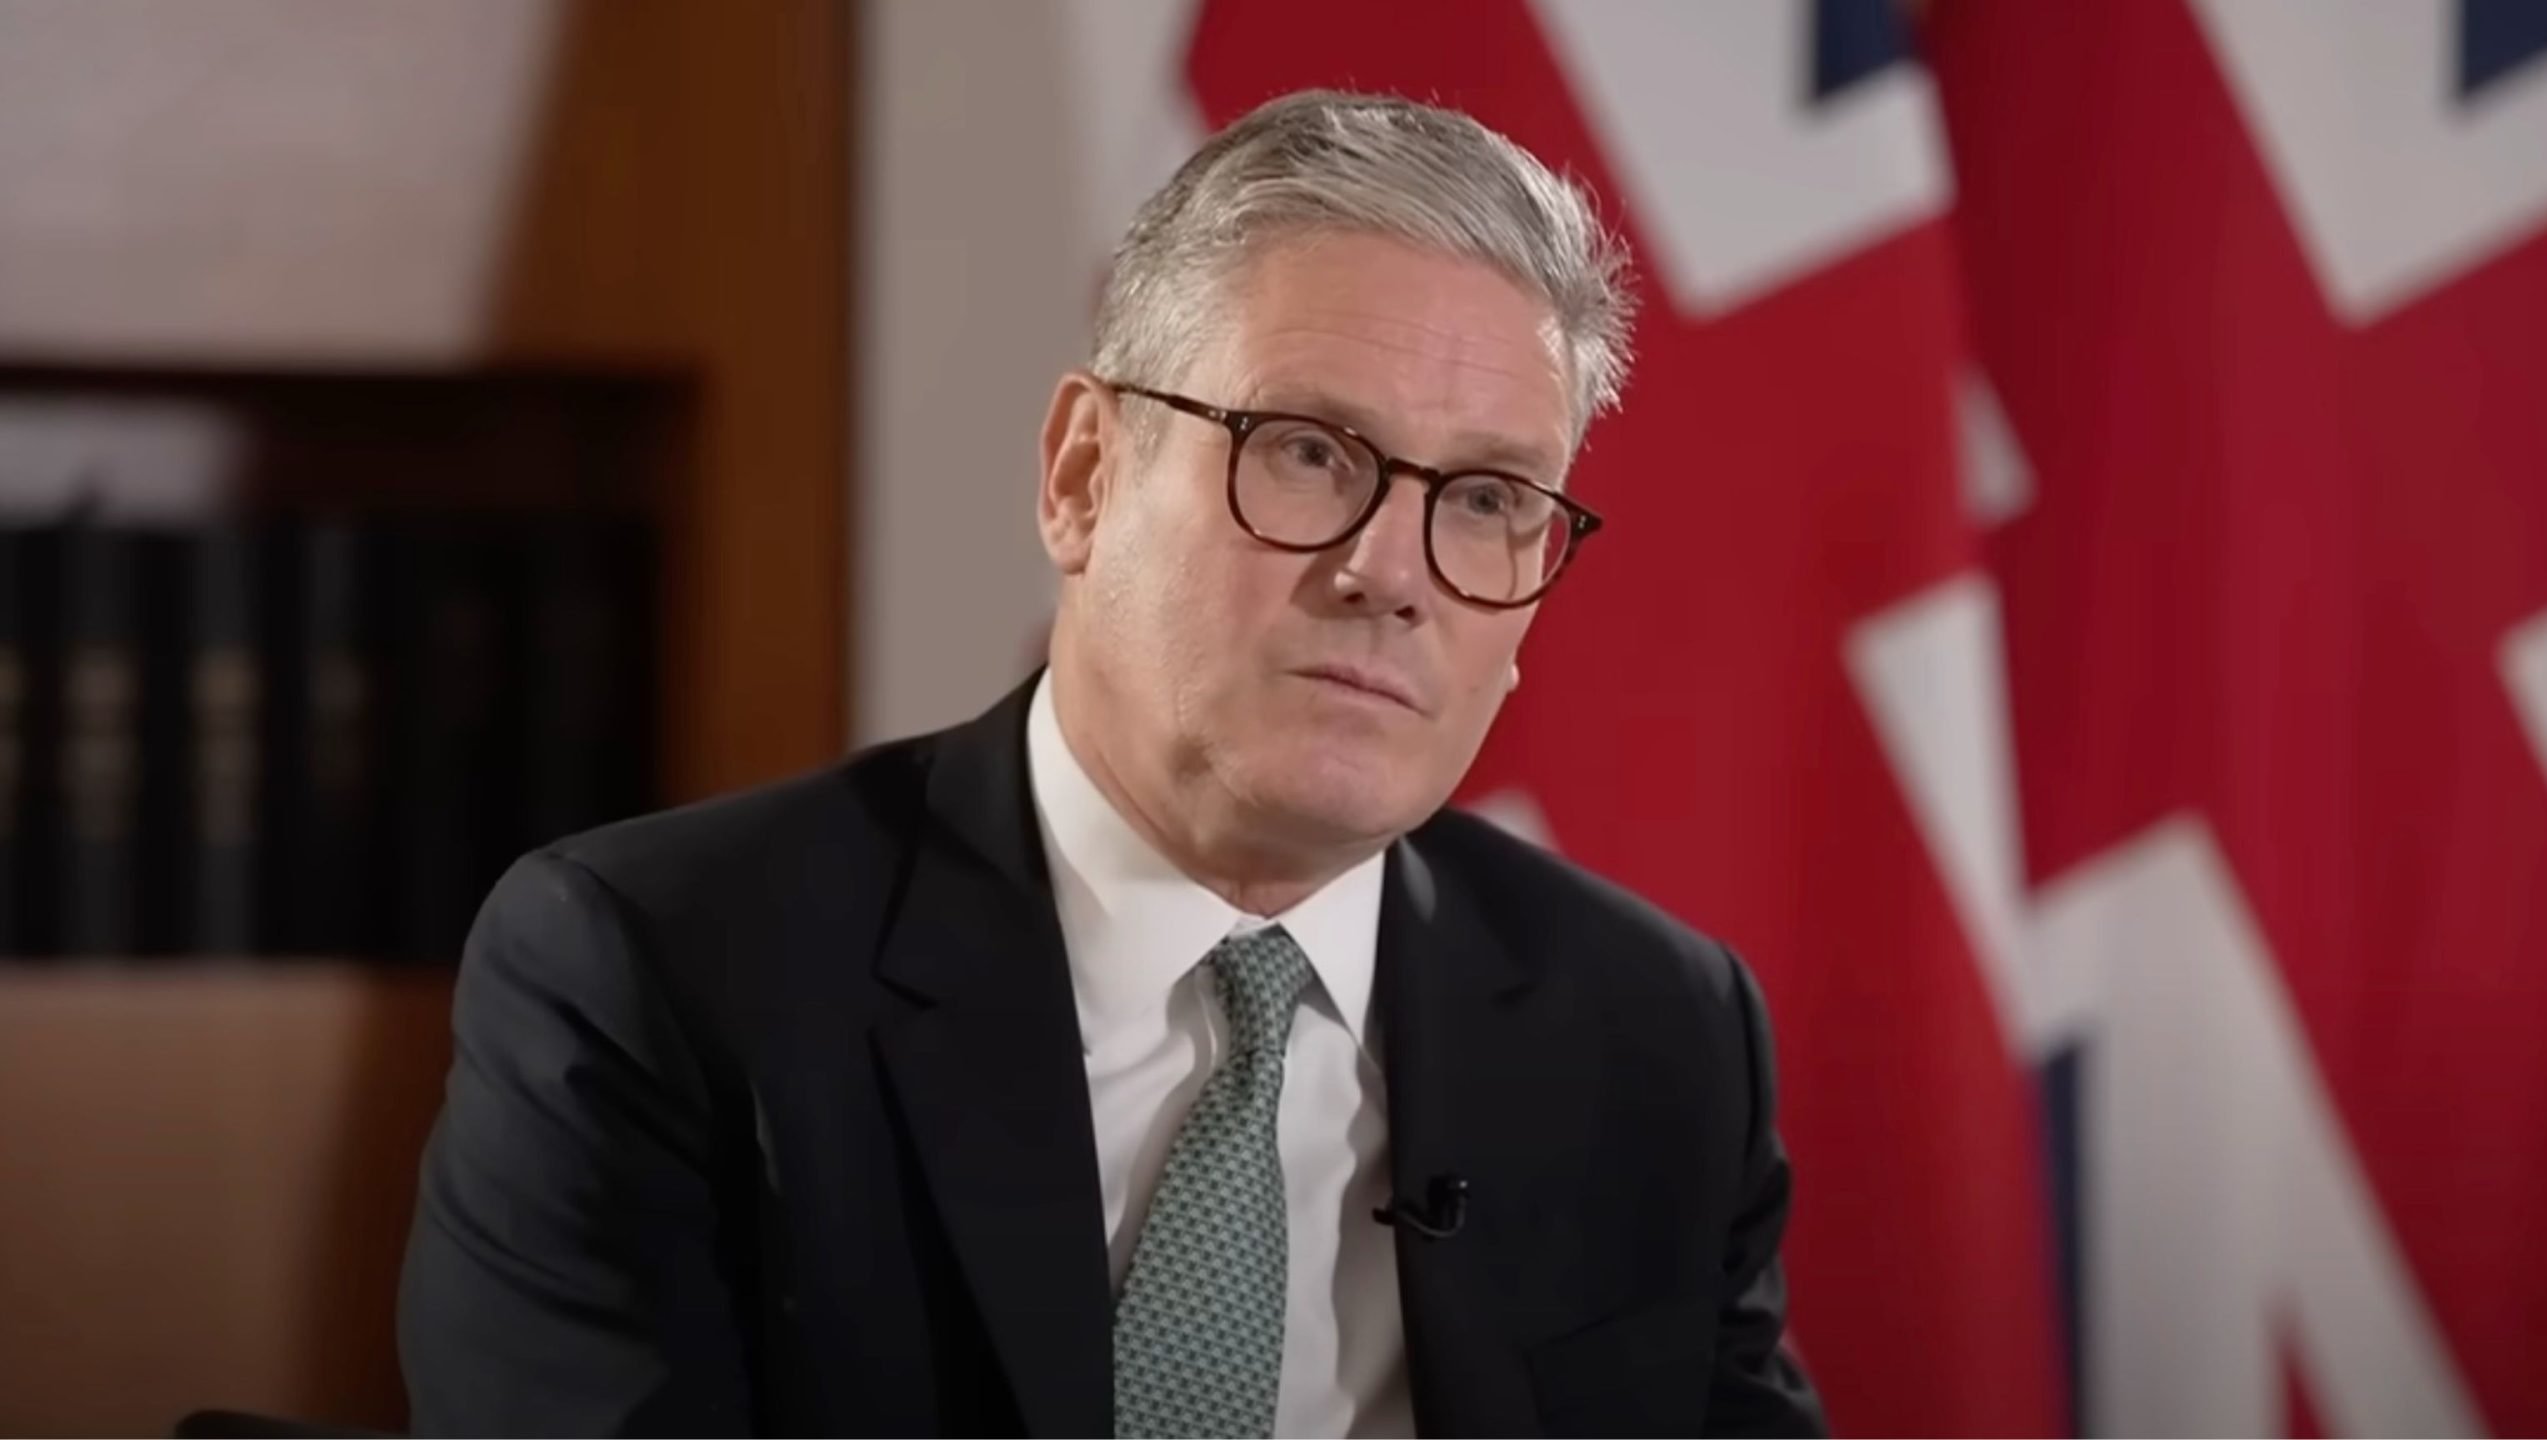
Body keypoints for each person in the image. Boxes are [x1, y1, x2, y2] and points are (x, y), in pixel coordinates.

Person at [398, 88, 1825, 1439]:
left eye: (1491, 499)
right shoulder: (658, 974)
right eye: (1311, 453)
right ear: (1084, 474)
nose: (1393, 574)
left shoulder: (1658, 1036)